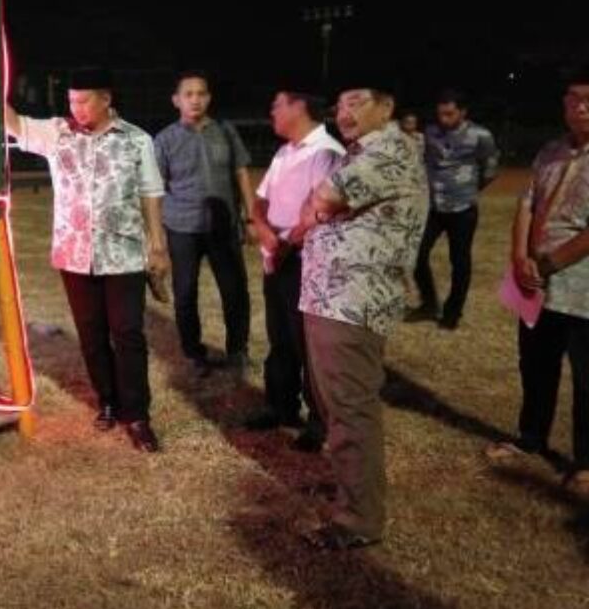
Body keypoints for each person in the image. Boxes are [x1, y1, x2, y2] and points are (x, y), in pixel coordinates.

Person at [5, 67, 169, 452]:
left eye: (83, 100)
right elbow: (13, 123)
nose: (75, 108)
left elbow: (150, 192)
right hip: (74, 253)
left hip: (123, 252)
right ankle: (107, 401)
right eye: (71, 101)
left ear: (106, 99)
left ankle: (138, 415)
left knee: (127, 333)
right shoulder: (57, 133)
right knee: (91, 335)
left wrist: (157, 245)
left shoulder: (136, 139)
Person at [294, 85, 428, 549]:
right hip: (331, 297)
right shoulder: (360, 152)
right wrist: (319, 209)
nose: (344, 112)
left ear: (387, 106)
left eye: (357, 102)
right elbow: (318, 204)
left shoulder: (390, 149)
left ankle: (358, 519)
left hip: (353, 300)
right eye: (340, 105)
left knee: (351, 408)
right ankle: (352, 491)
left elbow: (324, 197)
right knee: (336, 406)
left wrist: (319, 208)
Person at [486, 74, 589, 495]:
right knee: (535, 365)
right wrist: (519, 257)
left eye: (588, 100)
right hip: (536, 285)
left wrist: (547, 263)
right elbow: (527, 204)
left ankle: (585, 462)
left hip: (582, 289)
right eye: (573, 99)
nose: (580, 107)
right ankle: (531, 438)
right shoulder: (550, 151)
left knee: (586, 378)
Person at [245, 90, 344, 452]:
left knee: (309, 346)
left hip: (304, 262)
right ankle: (280, 406)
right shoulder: (285, 152)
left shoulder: (326, 153)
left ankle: (319, 421)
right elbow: (260, 200)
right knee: (281, 339)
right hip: (277, 259)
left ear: (299, 107)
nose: (272, 111)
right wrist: (264, 230)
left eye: (278, 105)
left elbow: (322, 212)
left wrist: (283, 244)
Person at [153, 71, 253, 379]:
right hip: (182, 227)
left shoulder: (225, 131)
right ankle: (193, 353)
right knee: (185, 294)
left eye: (201, 93)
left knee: (235, 291)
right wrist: (156, 238)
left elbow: (241, 173)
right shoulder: (165, 140)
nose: (195, 100)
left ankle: (238, 351)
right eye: (188, 94)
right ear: (176, 100)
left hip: (223, 226)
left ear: (208, 98)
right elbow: (156, 189)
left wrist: (251, 216)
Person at [408, 90, 499, 329]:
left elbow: (490, 169)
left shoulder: (481, 136)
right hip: (433, 207)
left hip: (463, 209)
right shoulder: (430, 132)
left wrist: (468, 189)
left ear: (463, 112)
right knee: (414, 253)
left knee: (459, 262)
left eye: (449, 114)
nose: (444, 119)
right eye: (440, 114)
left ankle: (452, 312)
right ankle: (429, 303)